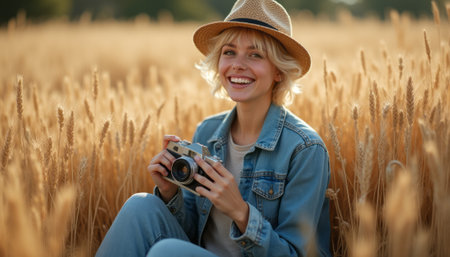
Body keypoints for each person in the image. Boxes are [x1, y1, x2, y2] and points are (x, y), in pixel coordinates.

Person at [95, 0, 331, 256]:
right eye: (229, 52)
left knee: (167, 252)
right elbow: (191, 232)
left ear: (278, 71)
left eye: (255, 54)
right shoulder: (207, 132)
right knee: (139, 206)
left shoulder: (305, 149)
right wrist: (169, 193)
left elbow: (297, 253)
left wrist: (240, 212)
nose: (237, 64)